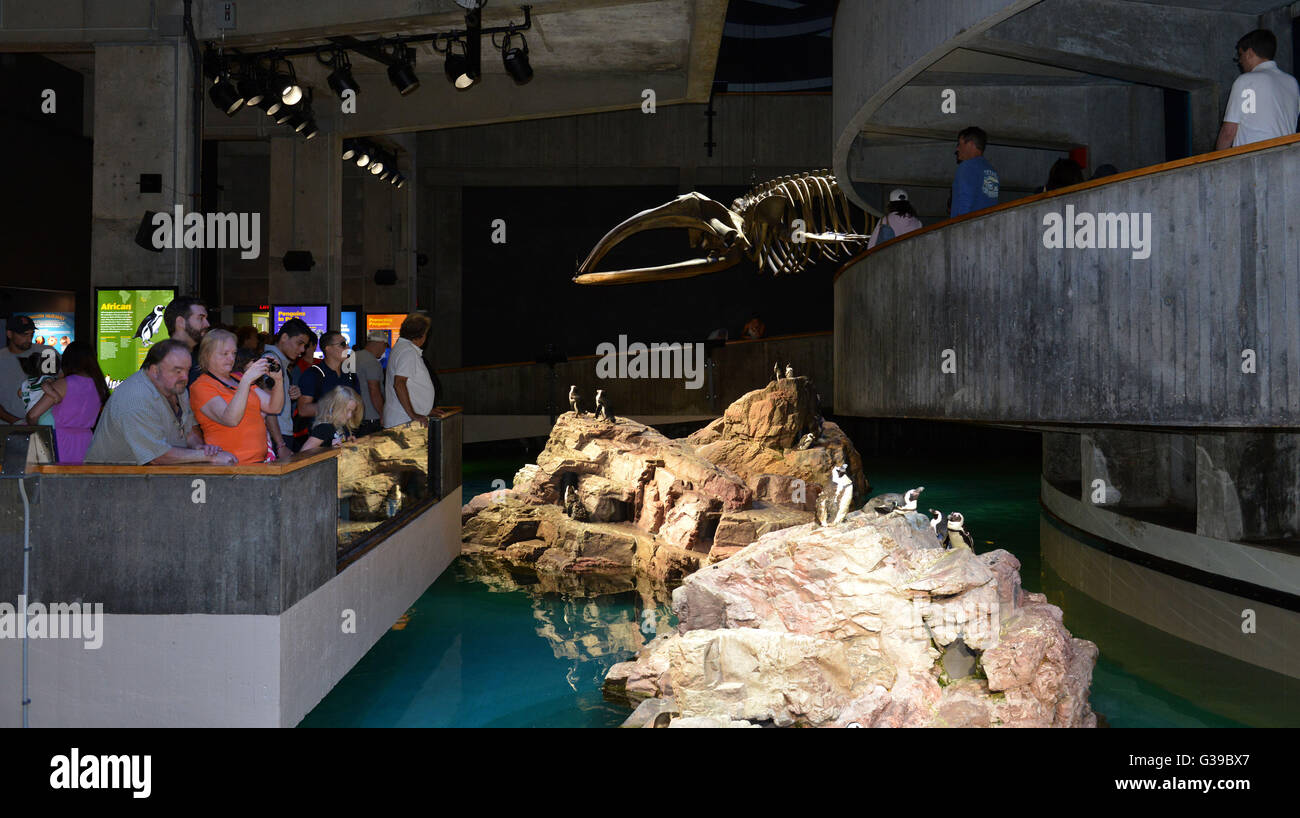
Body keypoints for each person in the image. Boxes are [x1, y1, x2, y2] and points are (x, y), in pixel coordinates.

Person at [84, 339, 236, 465]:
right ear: (154, 371)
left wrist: (199, 447)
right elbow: (156, 456)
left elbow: (188, 431)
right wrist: (207, 456)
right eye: (177, 370)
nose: (184, 377)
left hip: (148, 480)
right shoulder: (135, 398)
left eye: (187, 370)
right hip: (110, 483)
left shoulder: (176, 388)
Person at [189, 329, 284, 464]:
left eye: (233, 353)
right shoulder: (201, 386)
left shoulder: (238, 378)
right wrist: (247, 380)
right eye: (224, 354)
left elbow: (273, 407)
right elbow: (231, 419)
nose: (231, 358)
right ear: (207, 355)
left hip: (259, 462)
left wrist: (278, 381)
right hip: (230, 466)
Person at [23, 341, 107, 464]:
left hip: (59, 442)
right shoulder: (99, 385)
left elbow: (33, 415)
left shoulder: (63, 384)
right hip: (87, 442)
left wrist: (33, 426)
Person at [1217, 29, 1299, 150]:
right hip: (1286, 160)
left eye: (1240, 55)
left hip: (1254, 161)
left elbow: (1229, 132)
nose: (1240, 61)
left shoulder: (1246, 81)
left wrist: (1217, 162)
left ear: (1249, 53)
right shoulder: (1292, 83)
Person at [295, 330, 360, 449]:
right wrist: (335, 408)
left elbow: (357, 405)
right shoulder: (313, 374)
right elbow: (303, 410)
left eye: (346, 344)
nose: (347, 347)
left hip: (345, 437)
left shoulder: (350, 374)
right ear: (328, 348)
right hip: (320, 441)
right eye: (342, 344)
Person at [263, 318, 311, 462]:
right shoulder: (272, 361)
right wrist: (280, 444)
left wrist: (289, 395)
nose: (302, 350)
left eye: (305, 345)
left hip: (280, 434)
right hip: (277, 435)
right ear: (284, 337)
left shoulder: (278, 361)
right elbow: (267, 407)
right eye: (299, 343)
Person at [383, 313, 438, 428]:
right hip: (404, 420)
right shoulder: (408, 352)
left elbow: (410, 385)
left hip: (402, 417)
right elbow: (399, 383)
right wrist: (413, 414)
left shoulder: (402, 348)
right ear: (421, 335)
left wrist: (424, 409)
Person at [0, 316, 56, 424]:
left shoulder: (47, 353)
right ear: (9, 334)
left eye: (31, 334)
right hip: (7, 426)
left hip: (43, 424)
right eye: (24, 334)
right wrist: (17, 422)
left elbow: (62, 383)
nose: (29, 338)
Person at [950, 126, 1000, 217]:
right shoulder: (992, 171)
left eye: (960, 144)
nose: (957, 149)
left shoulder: (967, 166)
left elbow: (964, 204)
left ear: (970, 144)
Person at [162, 296, 210, 386]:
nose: (207, 324)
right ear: (180, 322)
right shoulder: (161, 359)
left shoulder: (202, 356)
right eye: (200, 318)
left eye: (206, 319)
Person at [300, 386, 363, 452]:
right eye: (346, 410)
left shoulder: (343, 426)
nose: (350, 415)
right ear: (334, 406)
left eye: (352, 411)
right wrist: (329, 448)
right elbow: (303, 453)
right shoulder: (323, 428)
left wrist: (348, 443)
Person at [353, 330, 388, 436]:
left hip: (353, 416)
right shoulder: (372, 362)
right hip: (370, 418)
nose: (384, 351)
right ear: (380, 343)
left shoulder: (352, 357)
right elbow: (374, 390)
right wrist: (382, 414)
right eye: (385, 347)